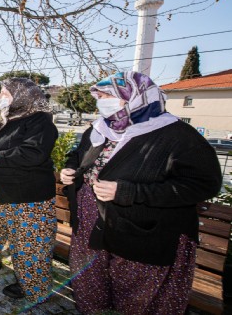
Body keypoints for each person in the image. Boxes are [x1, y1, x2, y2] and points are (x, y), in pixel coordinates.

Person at [60, 72, 222, 314]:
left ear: (134, 97)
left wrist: (129, 191)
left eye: (107, 95)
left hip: (143, 231)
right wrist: (71, 169)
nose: (100, 101)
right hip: (90, 221)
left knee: (136, 295)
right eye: (99, 96)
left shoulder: (176, 135)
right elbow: (78, 155)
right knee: (89, 279)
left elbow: (203, 184)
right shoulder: (101, 128)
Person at [0, 78, 58, 304]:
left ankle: (34, 288)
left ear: (22, 95)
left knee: (29, 242)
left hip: (25, 194)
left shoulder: (39, 121)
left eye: (5, 92)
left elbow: (33, 152)